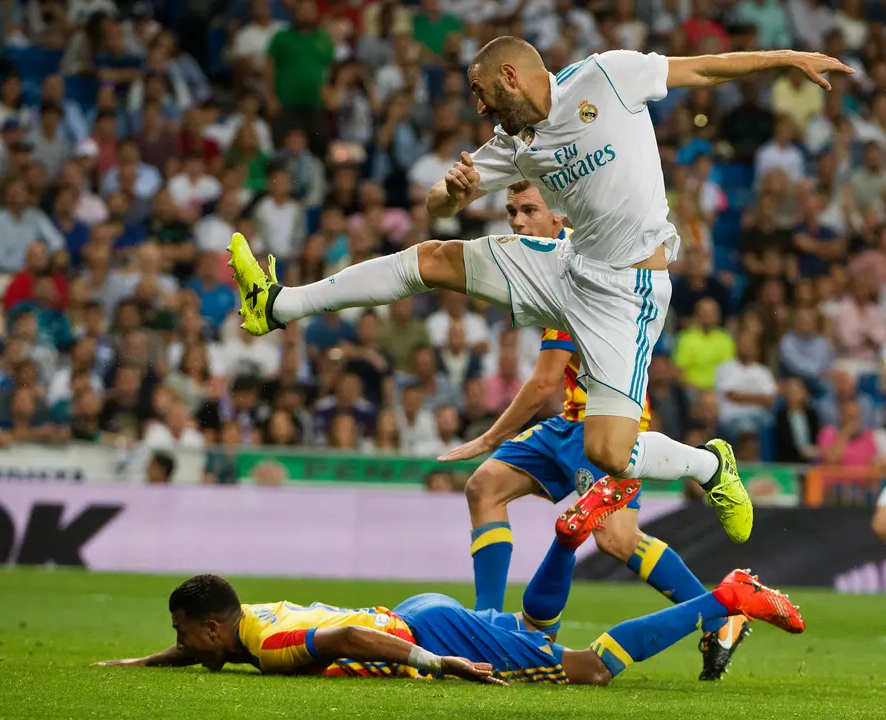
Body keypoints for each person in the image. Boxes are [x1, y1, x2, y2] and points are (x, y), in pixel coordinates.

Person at [230, 40, 851, 545]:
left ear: (510, 75)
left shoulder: (608, 77)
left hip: (627, 293)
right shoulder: (510, 146)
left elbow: (706, 69)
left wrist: (789, 60)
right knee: (434, 259)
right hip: (566, 263)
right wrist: (450, 190)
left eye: (481, 94)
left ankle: (711, 465)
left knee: (609, 452)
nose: (480, 111)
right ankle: (277, 304)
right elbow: (437, 207)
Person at [437, 181, 749, 680]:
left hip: (607, 428)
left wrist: (488, 437)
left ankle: (721, 614)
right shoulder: (550, 265)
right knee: (485, 487)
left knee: (618, 539)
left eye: (529, 211)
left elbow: (541, 381)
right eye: (512, 211)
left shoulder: (576, 271)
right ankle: (487, 624)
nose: (516, 221)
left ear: (559, 219)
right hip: (569, 422)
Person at [91, 529, 803, 684]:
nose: (182, 644)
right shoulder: (249, 622)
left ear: (214, 626)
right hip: (415, 609)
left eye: (186, 635)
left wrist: (443, 664)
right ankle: (566, 539)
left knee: (588, 670)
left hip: (416, 630)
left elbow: (342, 638)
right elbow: (194, 649)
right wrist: (134, 661)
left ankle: (727, 597)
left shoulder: (272, 649)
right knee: (533, 630)